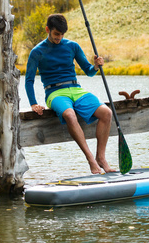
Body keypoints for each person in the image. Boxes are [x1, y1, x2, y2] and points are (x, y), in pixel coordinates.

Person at [25, 13, 114, 174]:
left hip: (76, 89)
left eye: (62, 34)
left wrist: (95, 66)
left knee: (106, 113)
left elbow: (88, 71)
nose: (59, 38)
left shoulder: (72, 46)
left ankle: (101, 158)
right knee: (70, 115)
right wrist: (33, 103)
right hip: (54, 92)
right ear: (48, 30)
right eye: (56, 34)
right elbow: (29, 80)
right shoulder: (37, 52)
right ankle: (91, 161)